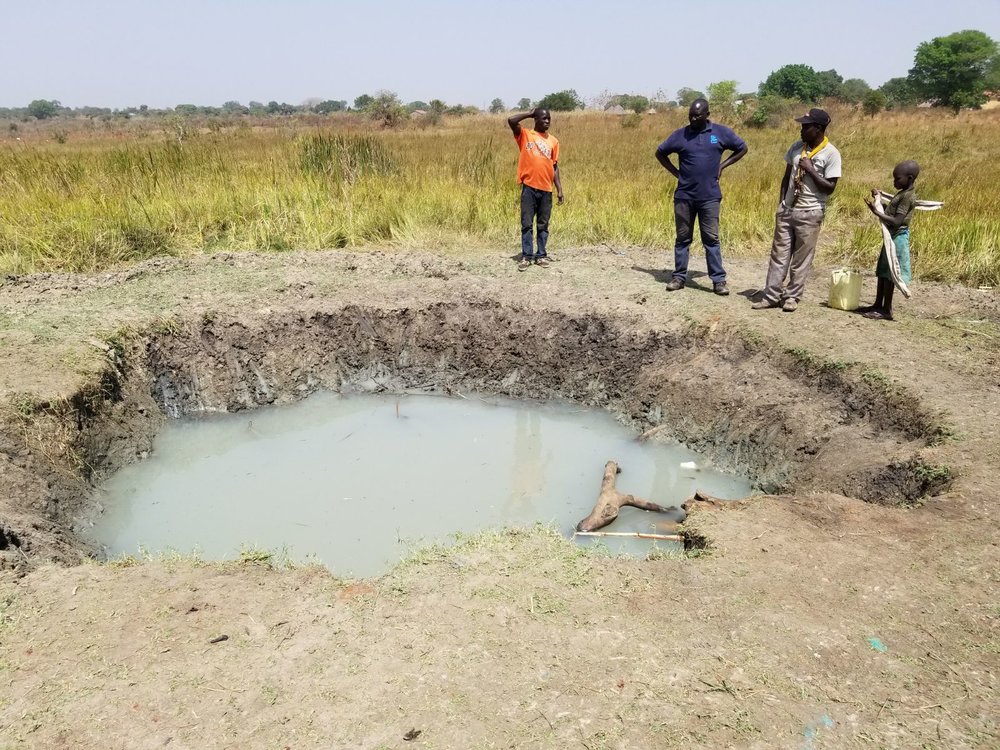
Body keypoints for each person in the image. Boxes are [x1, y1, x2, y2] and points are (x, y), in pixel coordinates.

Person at [655, 98, 748, 296]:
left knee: (711, 240)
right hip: (684, 196)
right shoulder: (681, 135)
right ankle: (679, 277)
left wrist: (723, 165)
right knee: (682, 239)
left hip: (710, 197)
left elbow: (742, 148)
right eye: (690, 115)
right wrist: (676, 172)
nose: (693, 118)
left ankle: (718, 281)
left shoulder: (720, 133)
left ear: (707, 114)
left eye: (697, 115)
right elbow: (660, 152)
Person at [752, 108, 841, 312]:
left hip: (810, 212)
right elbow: (786, 176)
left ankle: (792, 297)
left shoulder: (831, 154)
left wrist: (810, 170)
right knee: (779, 255)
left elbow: (830, 188)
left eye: (806, 127)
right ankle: (771, 295)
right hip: (788, 210)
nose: (801, 130)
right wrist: (782, 202)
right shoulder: (796, 147)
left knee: (801, 259)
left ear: (818, 129)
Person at [859, 160, 920, 321]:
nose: (894, 182)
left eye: (897, 179)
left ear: (910, 178)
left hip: (897, 238)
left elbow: (897, 221)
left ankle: (886, 309)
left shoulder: (907, 196)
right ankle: (878, 305)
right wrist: (879, 201)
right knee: (883, 271)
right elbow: (891, 213)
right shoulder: (901, 194)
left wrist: (876, 212)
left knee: (890, 274)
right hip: (891, 236)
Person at [508, 108, 564, 271]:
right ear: (536, 119)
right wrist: (530, 113)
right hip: (529, 188)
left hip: (546, 189)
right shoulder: (525, 135)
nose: (547, 121)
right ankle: (526, 256)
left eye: (549, 119)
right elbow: (511, 121)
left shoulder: (553, 141)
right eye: (544, 118)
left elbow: (554, 166)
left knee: (543, 224)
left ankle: (541, 255)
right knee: (526, 224)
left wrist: (559, 189)